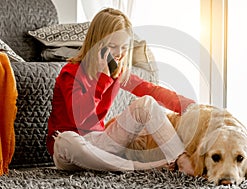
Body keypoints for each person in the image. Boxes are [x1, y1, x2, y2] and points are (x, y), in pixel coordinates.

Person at [47, 8, 195, 174]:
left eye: (124, 47)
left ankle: (180, 159)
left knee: (146, 103)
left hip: (100, 145)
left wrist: (189, 106)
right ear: (97, 44)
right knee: (65, 140)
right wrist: (101, 79)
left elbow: (151, 90)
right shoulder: (71, 72)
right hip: (71, 150)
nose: (118, 53)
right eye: (112, 46)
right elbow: (82, 119)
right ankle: (142, 168)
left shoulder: (117, 73)